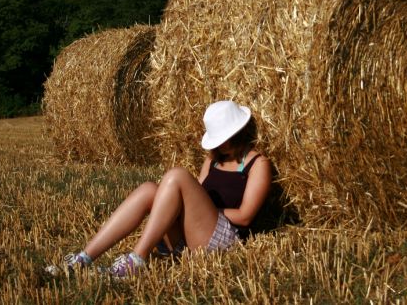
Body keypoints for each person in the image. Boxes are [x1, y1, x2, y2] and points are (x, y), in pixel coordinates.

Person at [60, 100, 272, 278]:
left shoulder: (257, 164)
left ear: (238, 132)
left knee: (177, 176)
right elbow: (195, 192)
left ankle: (136, 261)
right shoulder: (213, 159)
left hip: (223, 240)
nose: (221, 145)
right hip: (194, 235)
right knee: (149, 189)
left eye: (225, 137)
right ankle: (82, 259)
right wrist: (189, 210)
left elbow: (245, 216)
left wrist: (203, 211)